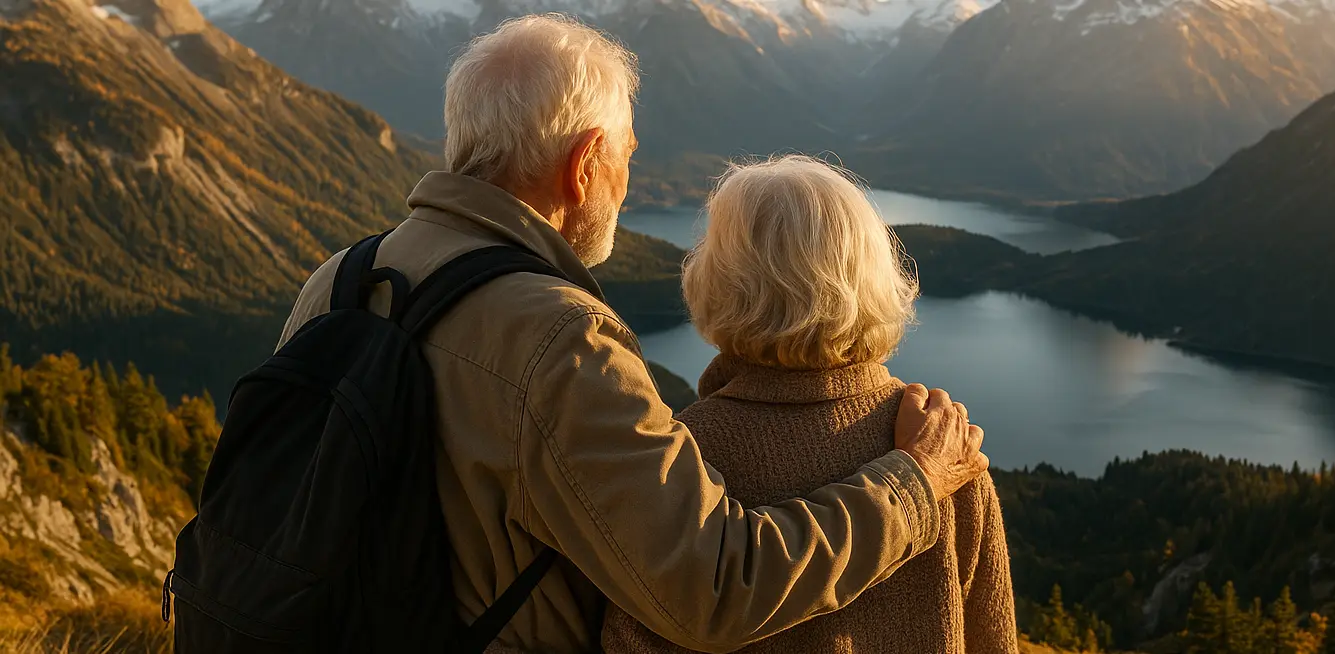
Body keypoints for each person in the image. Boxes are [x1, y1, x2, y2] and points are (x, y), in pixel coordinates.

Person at [273, 14, 990, 654]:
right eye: (626, 156)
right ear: (585, 164)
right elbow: (711, 591)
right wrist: (916, 482)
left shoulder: (339, 280)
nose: (626, 180)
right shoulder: (561, 340)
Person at [600, 156, 1018, 654]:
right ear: (875, 277)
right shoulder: (945, 449)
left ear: (716, 281)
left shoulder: (679, 459)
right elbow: (992, 637)